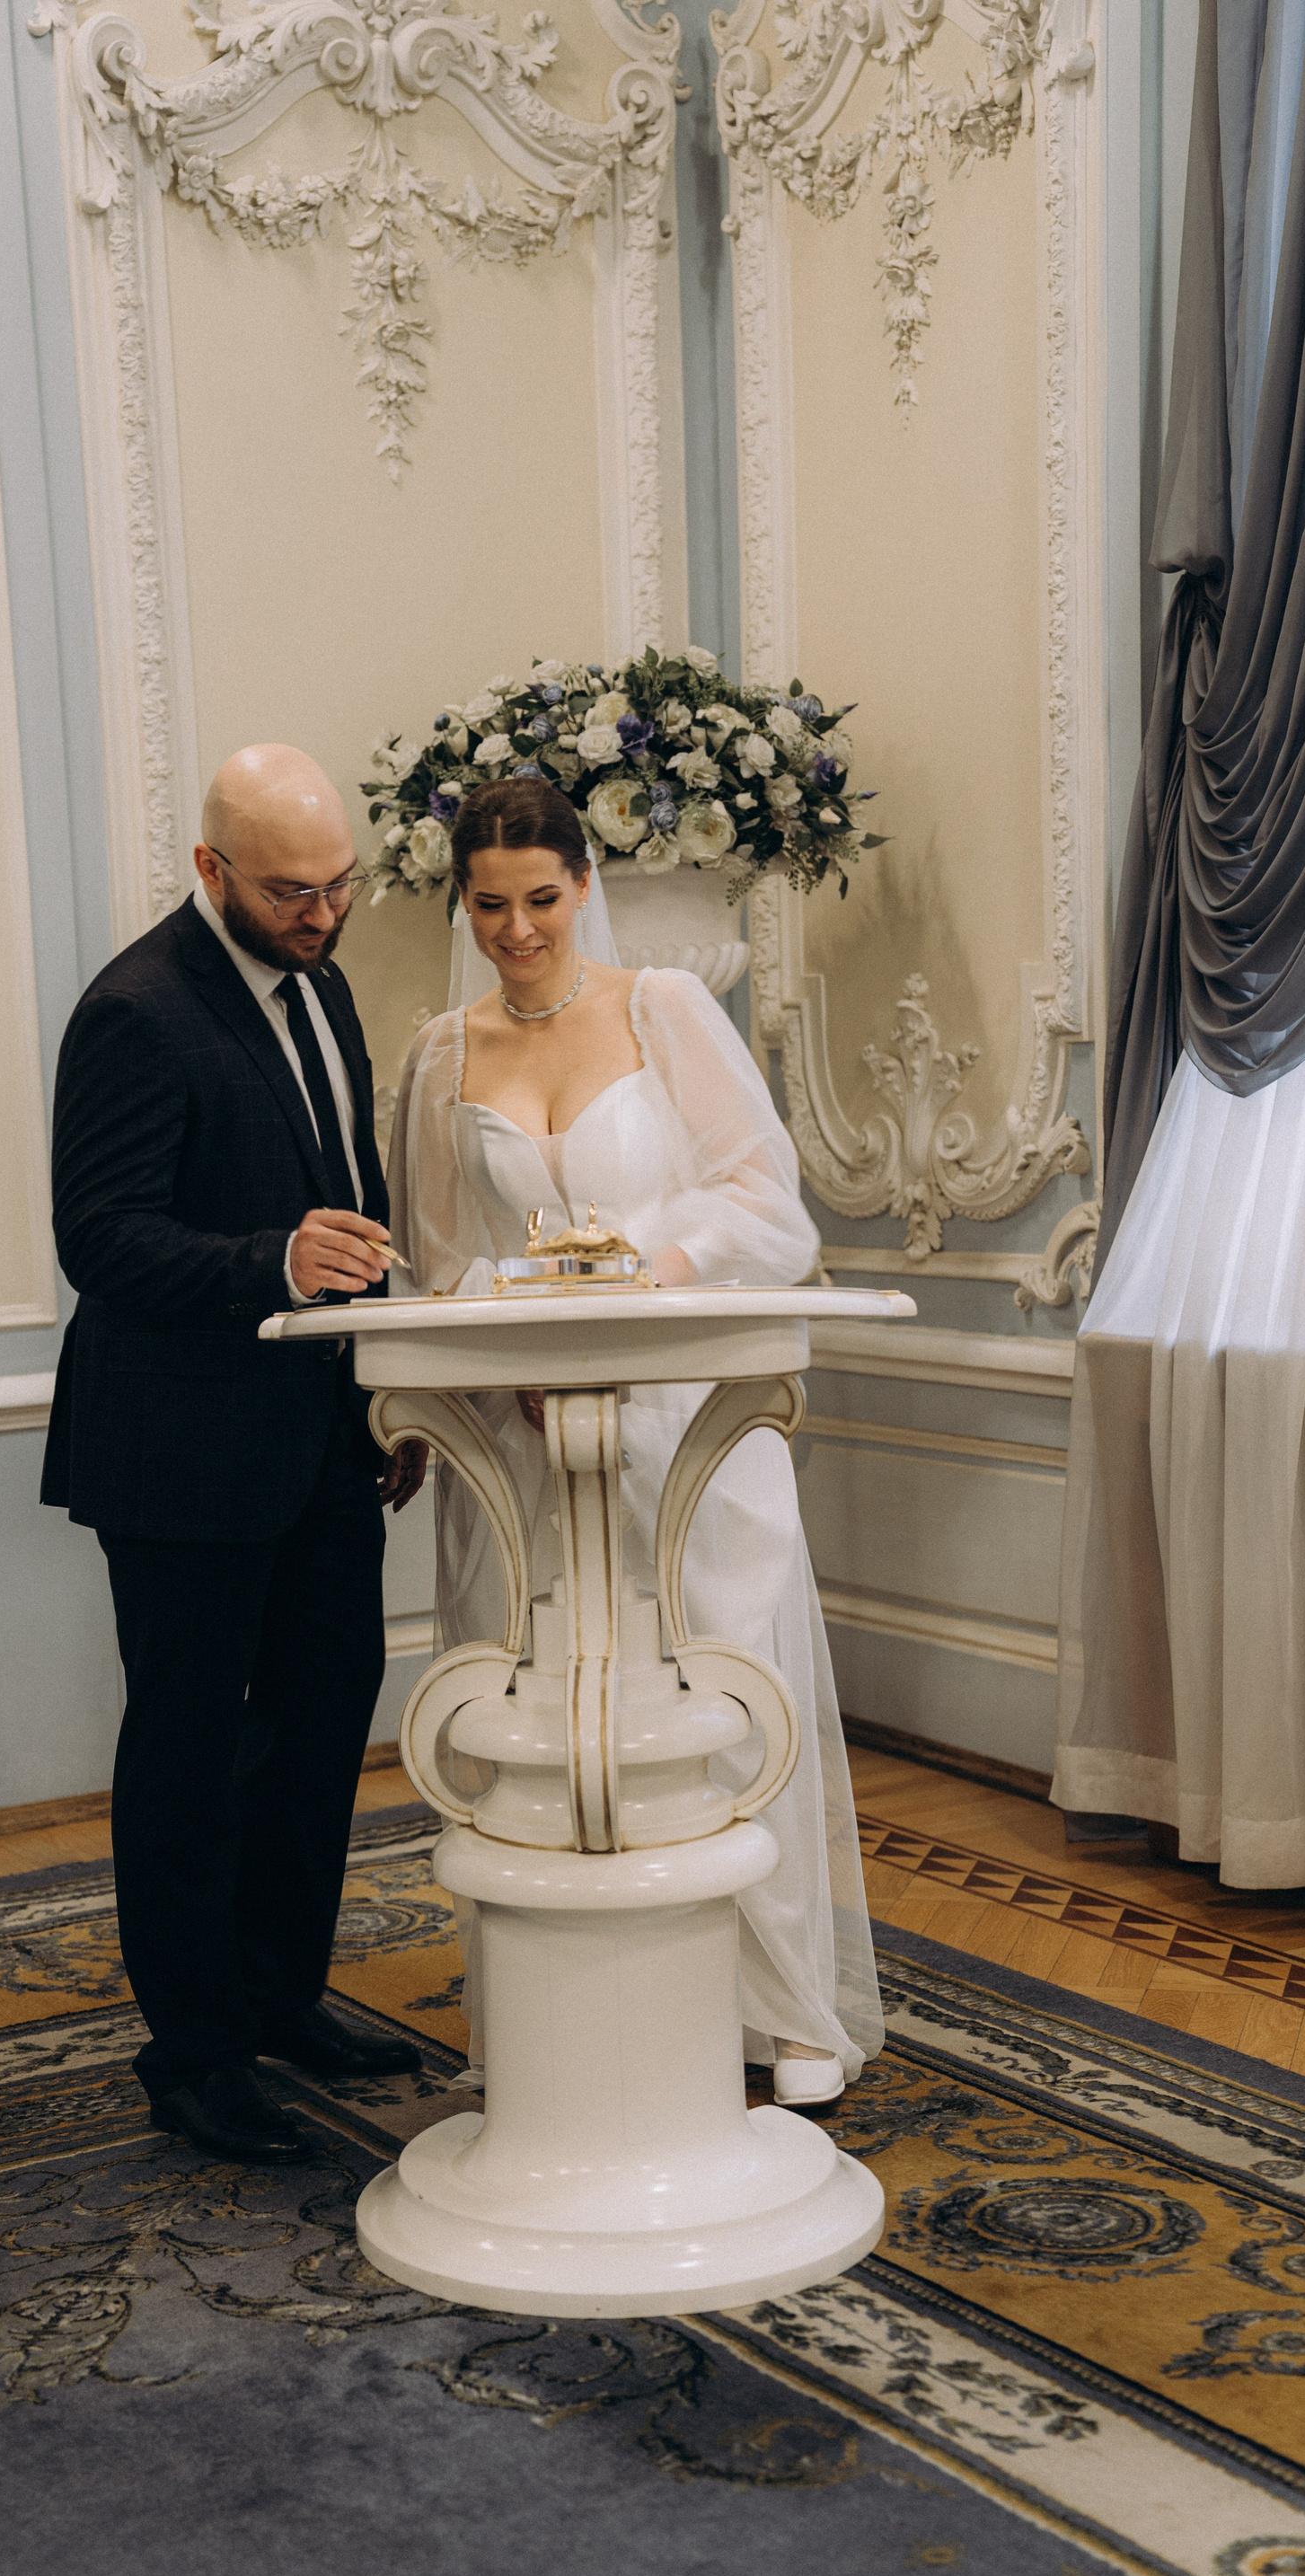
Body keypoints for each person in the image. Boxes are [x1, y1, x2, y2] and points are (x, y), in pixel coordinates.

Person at [388, 778, 882, 2103]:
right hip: (525, 1440)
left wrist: (638, 1277)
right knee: (543, 1711)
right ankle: (560, 2017)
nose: (517, 930)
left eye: (541, 899)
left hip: (684, 1419)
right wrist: (519, 1343)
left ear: (584, 884)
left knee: (725, 1691)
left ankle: (784, 2013)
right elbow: (436, 1261)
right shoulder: (441, 1057)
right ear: (461, 905)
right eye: (489, 905)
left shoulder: (663, 1009)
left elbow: (768, 1204)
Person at [42, 743, 429, 2164]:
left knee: (323, 1729)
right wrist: (270, 1260)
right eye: (288, 893)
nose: (323, 916)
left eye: (340, 886)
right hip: (181, 1453)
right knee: (190, 1758)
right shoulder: (136, 1010)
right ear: (211, 870)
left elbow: (355, 1208)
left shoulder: (326, 986)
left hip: (324, 1442)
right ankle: (197, 2055)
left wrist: (384, 1394)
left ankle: (278, 1995)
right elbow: (100, 1239)